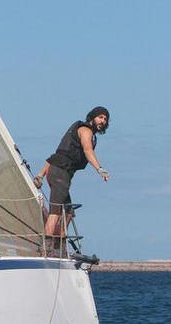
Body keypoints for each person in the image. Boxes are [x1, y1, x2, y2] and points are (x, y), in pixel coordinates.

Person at [32, 106, 110, 257]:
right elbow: (87, 151)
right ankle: (46, 249)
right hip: (59, 172)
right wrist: (100, 169)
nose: (103, 121)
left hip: (61, 173)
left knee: (68, 211)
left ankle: (58, 244)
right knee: (55, 210)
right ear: (92, 117)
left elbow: (57, 154)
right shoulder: (85, 130)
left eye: (105, 119)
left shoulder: (90, 134)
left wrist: (40, 175)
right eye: (100, 117)